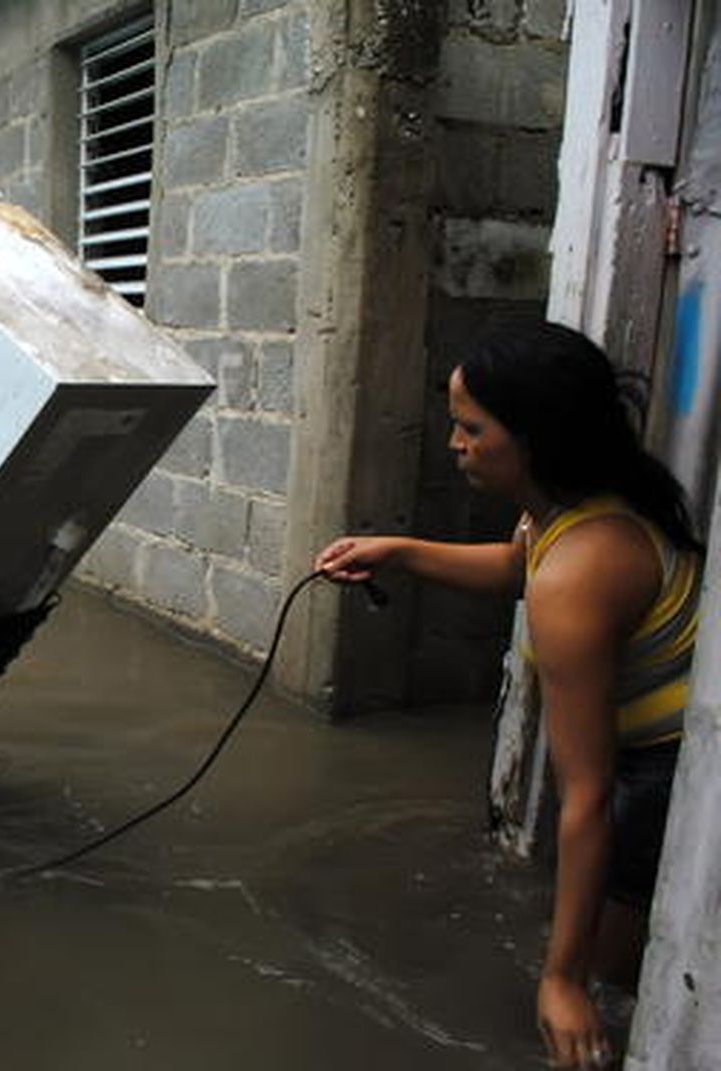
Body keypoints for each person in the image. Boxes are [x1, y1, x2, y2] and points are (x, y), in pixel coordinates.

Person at [315, 322, 703, 1071]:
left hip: (662, 771)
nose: (455, 443)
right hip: (643, 761)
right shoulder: (566, 502)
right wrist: (396, 550)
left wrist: (560, 979)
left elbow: (586, 796)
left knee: (611, 981)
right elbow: (512, 565)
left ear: (534, 437)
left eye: (471, 428)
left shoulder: (581, 572)